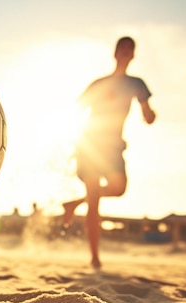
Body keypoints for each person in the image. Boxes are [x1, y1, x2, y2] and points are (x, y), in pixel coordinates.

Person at [62, 36, 156, 270]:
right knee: (94, 198)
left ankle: (74, 204)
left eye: (130, 49)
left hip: (114, 146)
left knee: (119, 188)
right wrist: (73, 142)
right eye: (122, 48)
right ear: (114, 53)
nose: (126, 52)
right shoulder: (99, 83)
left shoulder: (137, 83)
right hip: (91, 144)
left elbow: (147, 111)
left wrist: (149, 115)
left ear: (133, 55)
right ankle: (95, 257)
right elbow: (76, 109)